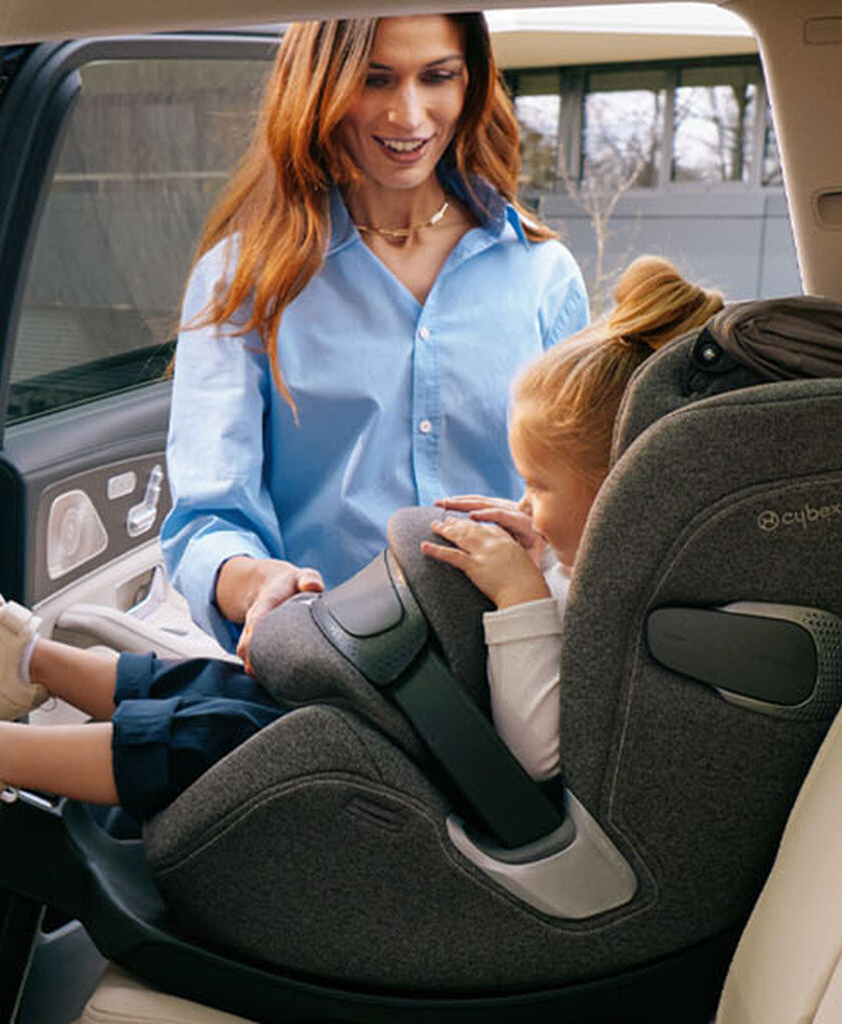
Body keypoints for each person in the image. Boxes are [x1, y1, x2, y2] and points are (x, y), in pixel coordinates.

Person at [0, 258, 726, 833]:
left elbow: (536, 759)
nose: (523, 504)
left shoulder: (621, 607)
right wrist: (547, 549)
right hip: (425, 735)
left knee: (239, 733)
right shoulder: (599, 566)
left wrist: (522, 597)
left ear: (622, 489)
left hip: (463, 800)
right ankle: (29, 663)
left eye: (540, 489)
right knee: (245, 686)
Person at [162, 11, 588, 648]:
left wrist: (549, 544)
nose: (408, 116)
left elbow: (590, 500)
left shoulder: (542, 274)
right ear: (321, 88)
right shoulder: (241, 281)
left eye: (437, 76)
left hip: (512, 656)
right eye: (375, 80)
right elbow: (208, 521)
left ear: (469, 84)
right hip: (329, 657)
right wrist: (257, 584)